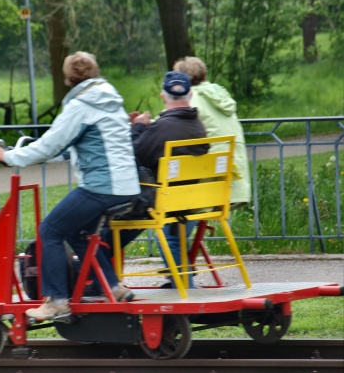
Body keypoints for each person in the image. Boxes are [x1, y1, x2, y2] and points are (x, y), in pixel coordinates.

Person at [0, 51, 140, 320]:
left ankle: (57, 300)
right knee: (76, 231)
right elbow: (74, 147)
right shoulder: (111, 100)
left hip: (102, 187)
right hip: (126, 185)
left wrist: (9, 156)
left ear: (69, 78)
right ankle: (114, 287)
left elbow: (50, 144)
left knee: (49, 230)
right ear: (95, 71)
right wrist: (32, 154)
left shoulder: (80, 105)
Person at [103, 71, 209, 288]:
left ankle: (101, 277)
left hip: (161, 202)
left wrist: (139, 127)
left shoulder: (162, 128)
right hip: (187, 201)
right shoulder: (198, 127)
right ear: (189, 95)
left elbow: (133, 154)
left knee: (110, 220)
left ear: (163, 96)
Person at [172, 56, 251, 208]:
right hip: (233, 181)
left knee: (171, 205)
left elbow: (169, 124)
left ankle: (172, 233)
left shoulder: (190, 99)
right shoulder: (219, 96)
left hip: (209, 183)